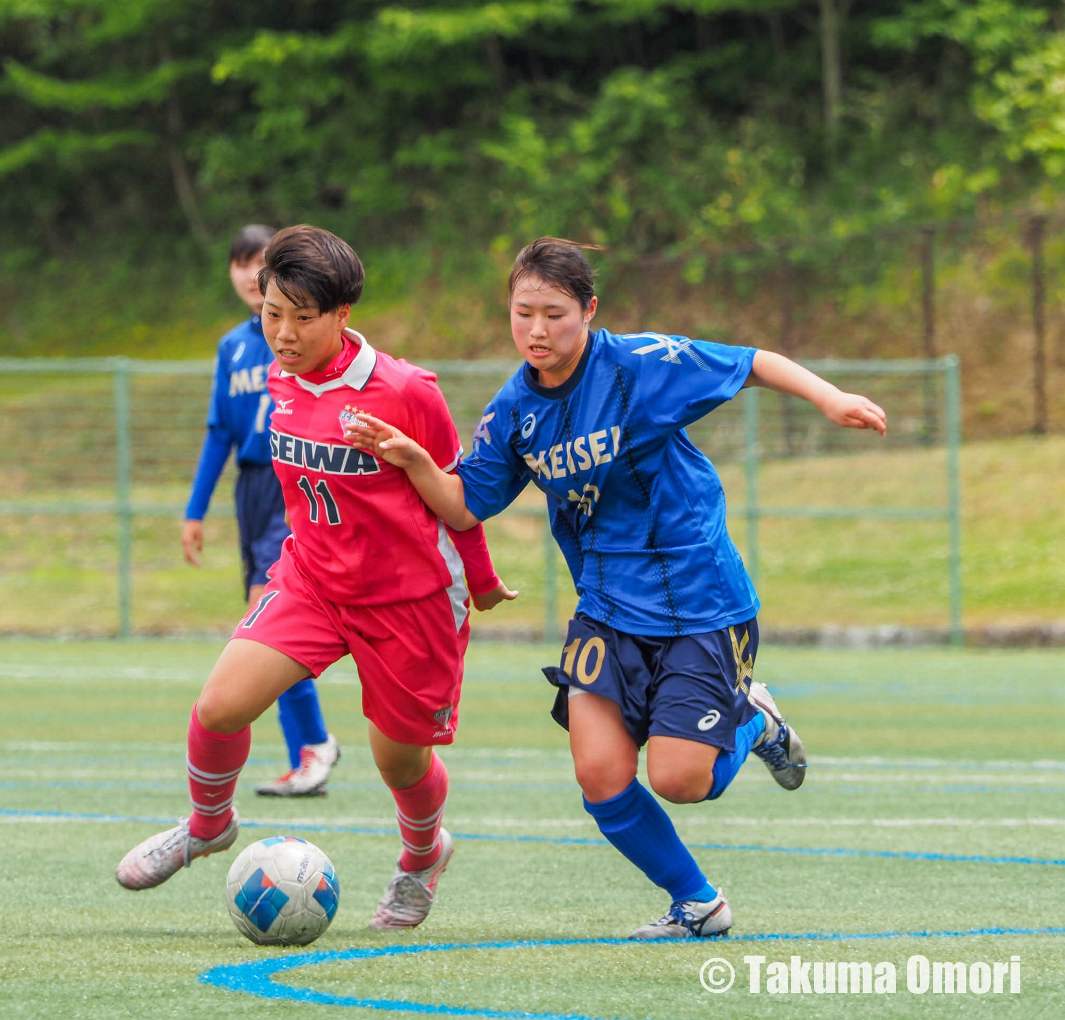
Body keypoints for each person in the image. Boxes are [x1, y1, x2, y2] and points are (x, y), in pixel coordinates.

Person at [344, 236, 887, 940]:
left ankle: (753, 718)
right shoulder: (515, 411)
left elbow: (751, 362)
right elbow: (462, 506)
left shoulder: (638, 367)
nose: (536, 331)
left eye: (555, 314)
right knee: (600, 775)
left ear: (589, 311)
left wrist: (830, 396)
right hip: (606, 607)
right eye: (522, 313)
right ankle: (698, 904)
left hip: (698, 600)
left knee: (681, 780)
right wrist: (414, 458)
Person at [118, 225, 518, 930]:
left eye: (304, 318)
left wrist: (481, 582)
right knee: (217, 707)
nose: (285, 332)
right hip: (312, 582)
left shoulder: (405, 391)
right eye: (274, 313)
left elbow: (461, 497)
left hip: (407, 601)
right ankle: (209, 826)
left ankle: (422, 856)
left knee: (399, 763)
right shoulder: (277, 374)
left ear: (342, 315)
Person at [182, 224, 340, 798]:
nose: (251, 274)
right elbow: (219, 433)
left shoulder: (309, 338)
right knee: (263, 619)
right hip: (250, 490)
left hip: (292, 483)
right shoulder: (234, 347)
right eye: (240, 263)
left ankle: (313, 746)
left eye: (261, 262)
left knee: (266, 617)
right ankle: (309, 748)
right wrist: (194, 510)